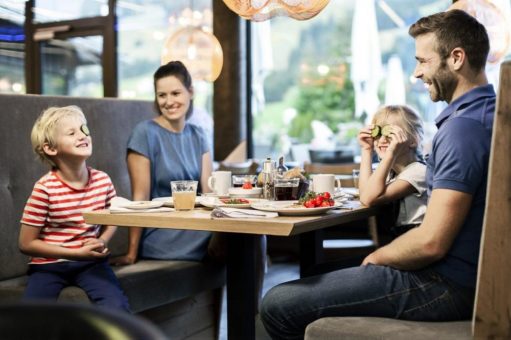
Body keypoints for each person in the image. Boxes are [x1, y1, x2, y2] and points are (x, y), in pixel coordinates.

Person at [260, 9, 495, 339]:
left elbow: (431, 243)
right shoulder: (489, 114)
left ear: (456, 58)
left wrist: (378, 256)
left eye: (423, 61)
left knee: (277, 302)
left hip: (446, 285)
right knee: (318, 273)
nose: (416, 73)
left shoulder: (463, 129)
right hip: (472, 277)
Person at [109, 61, 266, 308]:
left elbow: (208, 189)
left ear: (190, 93)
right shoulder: (144, 133)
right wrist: (131, 252)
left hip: (197, 226)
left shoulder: (198, 134)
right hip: (164, 232)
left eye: (175, 93)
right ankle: (252, 320)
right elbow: (139, 197)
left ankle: (252, 317)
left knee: (253, 231)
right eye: (162, 95)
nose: (169, 101)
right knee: (245, 238)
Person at [19, 106, 130, 312]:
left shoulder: (102, 180)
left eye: (83, 129)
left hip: (91, 264)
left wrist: (102, 240)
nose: (82, 136)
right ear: (51, 149)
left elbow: (114, 215)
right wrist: (75, 253)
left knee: (117, 306)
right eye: (72, 133)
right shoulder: (44, 189)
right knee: (31, 316)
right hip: (48, 267)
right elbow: (26, 243)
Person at [358, 105, 427, 236]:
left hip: (415, 237)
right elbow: (364, 194)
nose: (382, 140)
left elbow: (367, 198)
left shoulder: (419, 172)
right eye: (378, 134)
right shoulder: (391, 172)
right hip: (399, 236)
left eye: (390, 134)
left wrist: (390, 154)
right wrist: (366, 150)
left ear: (413, 140)